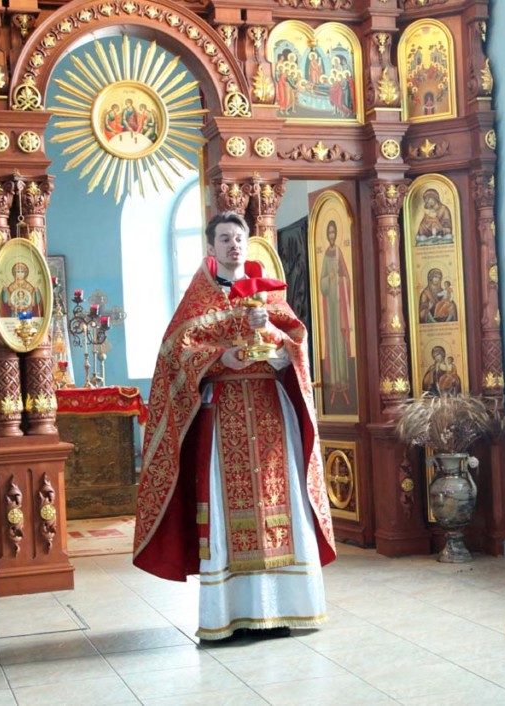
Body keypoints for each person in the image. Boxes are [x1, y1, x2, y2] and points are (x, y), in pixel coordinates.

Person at [133, 211, 335, 641]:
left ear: (247, 243)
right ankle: (233, 615)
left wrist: (272, 334)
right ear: (211, 247)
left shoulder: (270, 295)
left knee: (282, 501)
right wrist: (218, 357)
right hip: (223, 415)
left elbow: (295, 349)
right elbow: (175, 354)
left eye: (238, 237)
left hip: (270, 410)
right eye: (224, 238)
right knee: (227, 510)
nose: (233, 244)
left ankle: (287, 609)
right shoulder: (198, 300)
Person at [318, 220, 353, 408]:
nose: (331, 235)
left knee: (340, 342)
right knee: (331, 342)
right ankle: (333, 384)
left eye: (333, 232)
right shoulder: (326, 254)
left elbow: (347, 278)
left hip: (340, 308)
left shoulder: (339, 252)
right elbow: (321, 283)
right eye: (329, 233)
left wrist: (339, 280)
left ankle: (344, 384)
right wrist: (328, 280)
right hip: (330, 308)